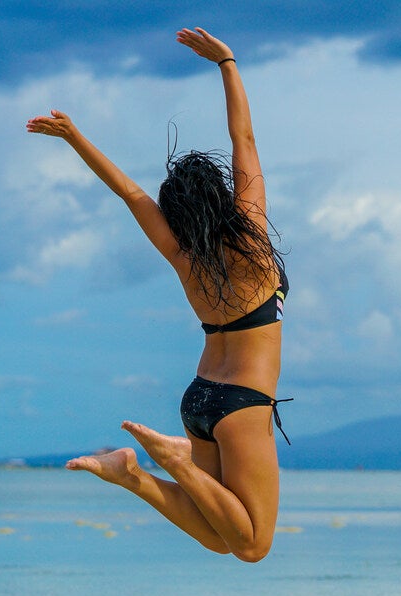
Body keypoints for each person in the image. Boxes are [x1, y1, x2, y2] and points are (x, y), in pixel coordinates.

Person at [27, 28, 288, 562]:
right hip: (242, 405)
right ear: (219, 196)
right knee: (254, 546)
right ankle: (175, 460)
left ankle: (134, 476)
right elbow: (245, 141)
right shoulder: (254, 237)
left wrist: (76, 138)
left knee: (221, 537)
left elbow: (131, 193)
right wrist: (228, 63)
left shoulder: (182, 254)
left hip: (200, 399)